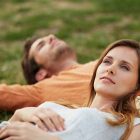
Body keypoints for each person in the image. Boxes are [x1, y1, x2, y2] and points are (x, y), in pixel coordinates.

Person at [0, 39, 140, 140]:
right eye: (107, 61)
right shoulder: (51, 98)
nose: (110, 69)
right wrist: (19, 115)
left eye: (125, 67)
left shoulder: (131, 125)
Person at [0, 34, 98, 112]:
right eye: (41, 46)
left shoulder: (104, 60)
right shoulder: (41, 90)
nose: (51, 36)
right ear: (41, 74)